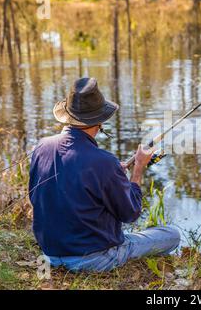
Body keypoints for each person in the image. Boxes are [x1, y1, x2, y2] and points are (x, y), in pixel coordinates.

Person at [28, 77, 180, 272]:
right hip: (93, 259)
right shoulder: (104, 162)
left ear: (68, 115)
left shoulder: (41, 147)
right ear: (99, 120)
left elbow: (36, 196)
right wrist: (138, 167)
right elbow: (131, 213)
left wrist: (114, 173)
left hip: (49, 254)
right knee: (171, 235)